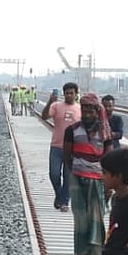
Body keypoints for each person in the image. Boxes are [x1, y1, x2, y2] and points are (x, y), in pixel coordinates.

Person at [66, 93, 115, 255]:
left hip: (98, 181)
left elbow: (109, 159)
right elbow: (67, 156)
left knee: (96, 219)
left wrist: (108, 185)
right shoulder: (72, 130)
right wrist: (76, 173)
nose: (87, 113)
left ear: (96, 111)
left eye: (90, 110)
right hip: (77, 179)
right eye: (84, 109)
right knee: (81, 220)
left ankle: (96, 253)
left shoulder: (105, 132)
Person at [44, 83, 82, 211]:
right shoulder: (56, 106)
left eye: (72, 93)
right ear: (63, 93)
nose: (69, 95)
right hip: (56, 146)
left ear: (76, 94)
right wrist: (50, 101)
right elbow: (44, 116)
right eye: (67, 93)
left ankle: (64, 202)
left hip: (73, 149)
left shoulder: (80, 109)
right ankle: (59, 195)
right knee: (54, 174)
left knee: (68, 177)